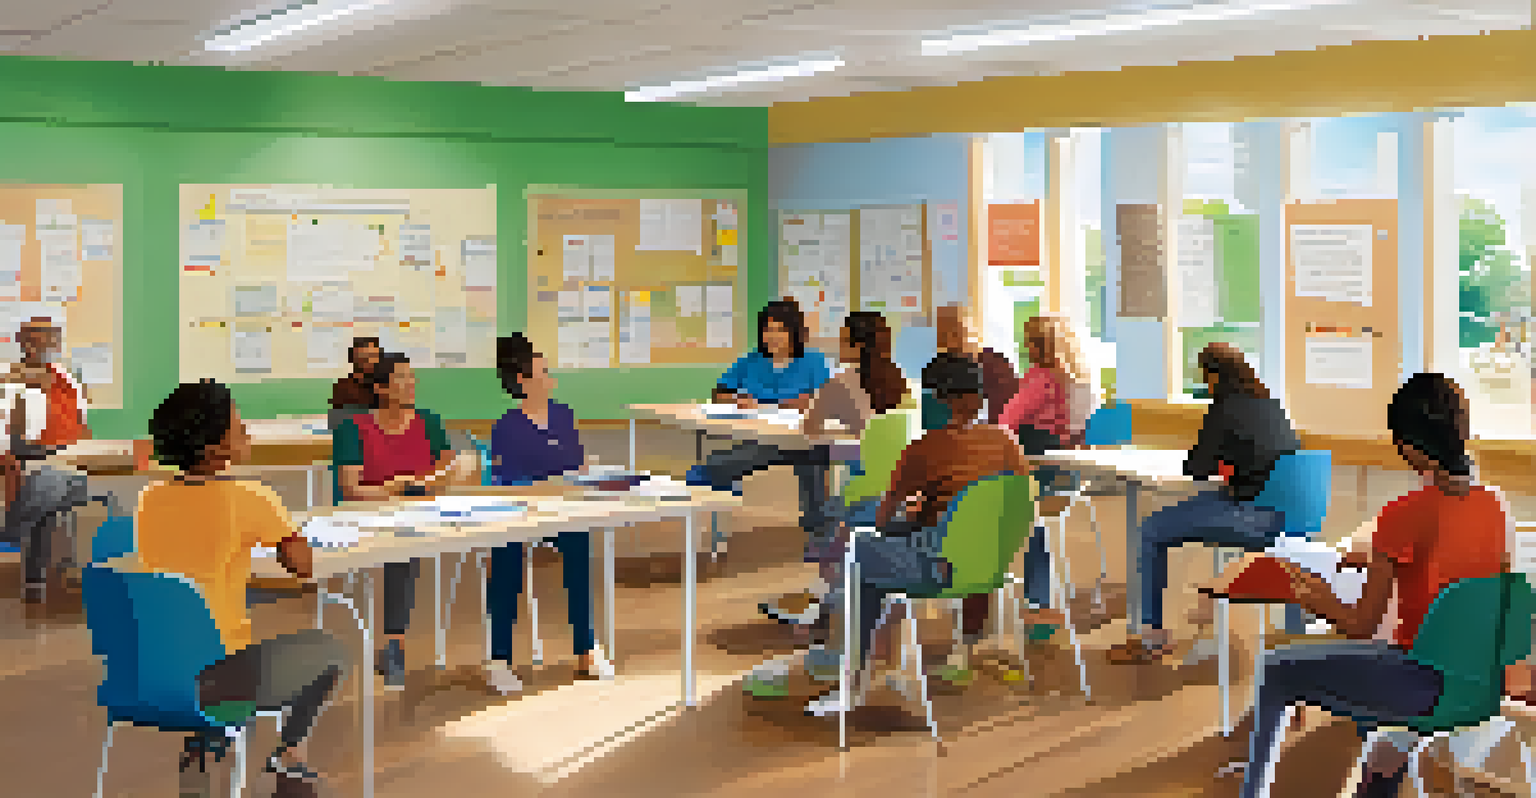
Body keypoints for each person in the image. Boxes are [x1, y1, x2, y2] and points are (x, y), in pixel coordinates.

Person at [1236, 373, 1523, 798]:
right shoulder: (1496, 505)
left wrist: (1313, 596)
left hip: (1422, 685)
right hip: (1479, 685)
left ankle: (1252, 792)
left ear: (1408, 446)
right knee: (1385, 749)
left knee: (1277, 668)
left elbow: (1361, 625)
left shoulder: (1401, 513)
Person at [138, 380, 347, 798]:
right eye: (238, 425)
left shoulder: (150, 498)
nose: (248, 431)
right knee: (330, 653)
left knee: (208, 634)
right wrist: (290, 528)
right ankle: (289, 761)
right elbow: (301, 567)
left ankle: (203, 750)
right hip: (217, 677)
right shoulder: (251, 498)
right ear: (215, 446)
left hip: (151, 669)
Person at [806, 352, 1030, 714]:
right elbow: (1015, 500)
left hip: (938, 566)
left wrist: (908, 515)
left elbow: (883, 515)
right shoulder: (1006, 441)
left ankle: (853, 673)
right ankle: (882, 659)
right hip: (989, 564)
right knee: (873, 555)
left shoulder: (925, 448)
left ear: (942, 400)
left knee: (858, 550)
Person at [1109, 342, 1299, 663]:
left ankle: (1152, 637)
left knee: (1152, 529)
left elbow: (1195, 467)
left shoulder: (1224, 408)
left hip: (1252, 513)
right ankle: (1215, 608)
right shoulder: (1271, 405)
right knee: (1201, 503)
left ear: (1213, 377)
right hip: (1289, 514)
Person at [758, 311, 911, 625]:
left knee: (820, 516)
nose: (839, 346)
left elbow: (810, 430)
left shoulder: (840, 383)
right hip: (901, 492)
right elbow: (878, 439)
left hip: (863, 495)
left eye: (843, 340)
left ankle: (825, 601)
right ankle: (828, 596)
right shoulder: (902, 383)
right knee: (830, 503)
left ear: (857, 346)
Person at [484, 333, 612, 693]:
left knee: (579, 546)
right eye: (543, 372)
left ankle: (586, 650)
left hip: (562, 511)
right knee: (506, 556)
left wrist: (589, 473)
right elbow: (505, 480)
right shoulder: (507, 425)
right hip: (520, 514)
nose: (551, 378)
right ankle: (499, 659)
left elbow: (577, 463)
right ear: (524, 381)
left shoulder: (563, 415)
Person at [333, 352, 461, 689]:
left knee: (409, 545)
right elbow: (351, 488)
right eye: (402, 378)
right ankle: (394, 644)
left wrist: (434, 481)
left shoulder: (429, 422)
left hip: (422, 512)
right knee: (402, 549)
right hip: (371, 517)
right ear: (381, 388)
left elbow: (447, 471)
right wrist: (395, 488)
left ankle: (495, 653)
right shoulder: (354, 428)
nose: (411, 384)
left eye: (412, 377)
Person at [987, 313, 1097, 640]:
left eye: (1028, 340)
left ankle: (1001, 596)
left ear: (1037, 347)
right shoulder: (1079, 380)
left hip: (1038, 475)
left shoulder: (1040, 380)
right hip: (1069, 476)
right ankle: (1037, 601)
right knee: (1038, 529)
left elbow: (1006, 422)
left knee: (983, 508)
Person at [686, 299, 831, 518]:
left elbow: (821, 400)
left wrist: (766, 404)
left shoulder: (813, 361)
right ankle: (716, 520)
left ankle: (817, 529)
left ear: (794, 333)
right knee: (714, 465)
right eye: (767, 330)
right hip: (763, 439)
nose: (771, 336)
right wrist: (736, 399)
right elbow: (720, 392)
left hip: (804, 440)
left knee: (813, 464)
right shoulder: (751, 360)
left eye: (779, 330)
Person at [4, 316, 89, 605]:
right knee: (49, 489)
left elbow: (82, 425)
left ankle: (37, 578)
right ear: (22, 342)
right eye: (35, 337)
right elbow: (13, 438)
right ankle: (17, 540)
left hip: (70, 461)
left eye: (50, 337)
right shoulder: (13, 380)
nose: (44, 343)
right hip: (30, 462)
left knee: (56, 495)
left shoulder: (67, 380)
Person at [933, 303, 1017, 426]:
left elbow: (1012, 403)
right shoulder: (940, 371)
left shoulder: (995, 364)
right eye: (944, 334)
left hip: (994, 432)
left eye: (957, 330)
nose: (952, 338)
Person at [329, 336, 380, 425]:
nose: (369, 361)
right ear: (352, 359)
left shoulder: (387, 385)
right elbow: (335, 423)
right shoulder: (343, 387)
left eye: (372, 356)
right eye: (363, 357)